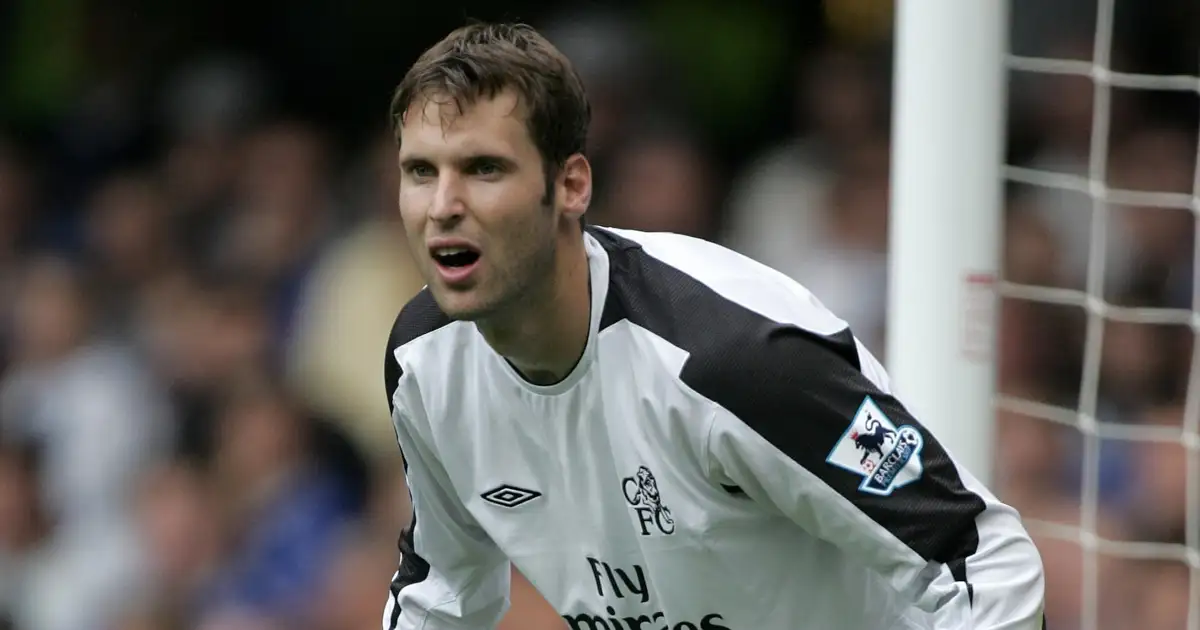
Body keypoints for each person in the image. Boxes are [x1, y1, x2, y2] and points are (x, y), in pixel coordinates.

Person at [382, 21, 1045, 630]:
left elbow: (985, 562)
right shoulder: (424, 362)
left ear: (572, 186)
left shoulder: (736, 359)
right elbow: (440, 593)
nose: (443, 205)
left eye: (483, 169)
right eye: (421, 172)